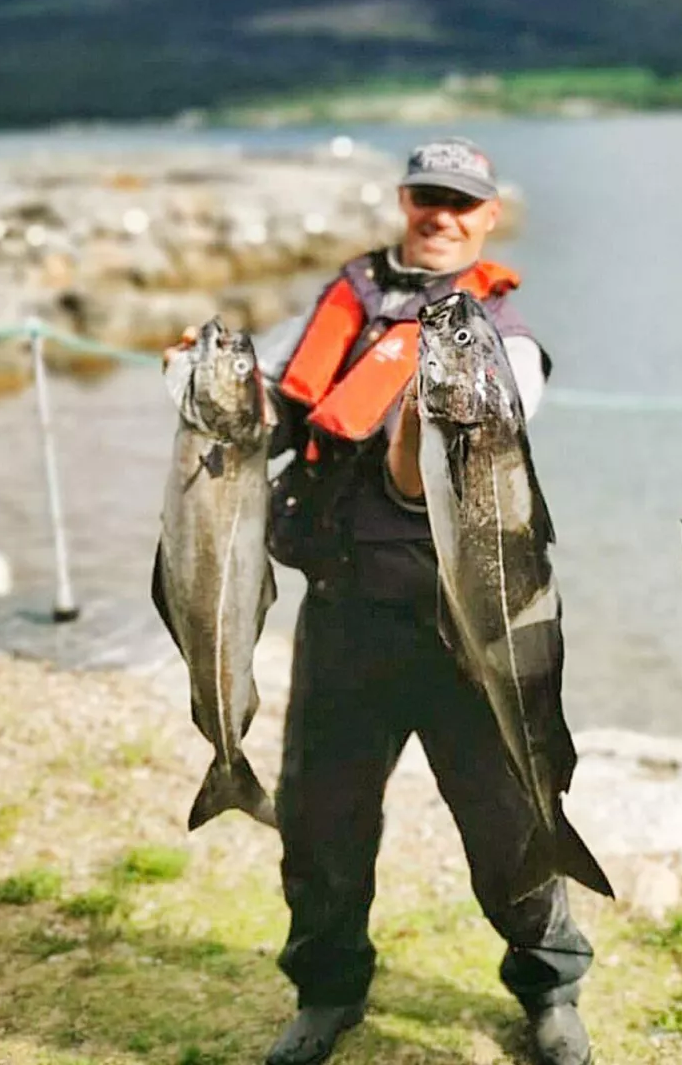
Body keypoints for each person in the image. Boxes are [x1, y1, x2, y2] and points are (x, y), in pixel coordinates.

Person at [174, 137, 594, 1065]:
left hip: (467, 630)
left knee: (507, 823)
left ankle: (550, 987)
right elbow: (282, 412)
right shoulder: (349, 295)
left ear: (489, 218)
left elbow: (458, 451)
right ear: (405, 201)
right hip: (344, 613)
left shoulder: (506, 345)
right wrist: (207, 389)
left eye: (462, 203)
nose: (441, 216)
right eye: (427, 197)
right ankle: (326, 991)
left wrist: (420, 426)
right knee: (322, 820)